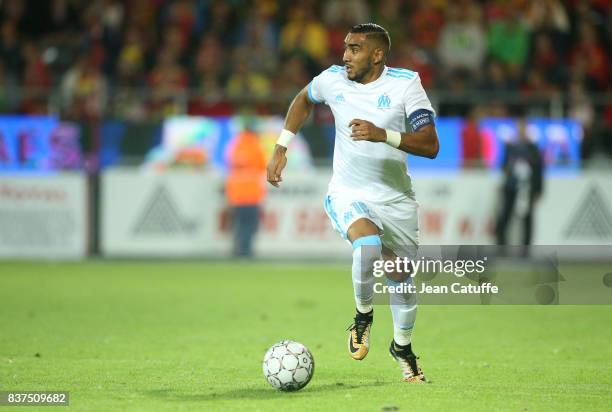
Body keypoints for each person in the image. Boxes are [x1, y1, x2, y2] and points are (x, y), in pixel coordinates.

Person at [267, 23, 439, 382]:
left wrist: (383, 135)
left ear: (377, 55)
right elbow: (303, 99)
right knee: (367, 245)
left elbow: (430, 145)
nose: (345, 56)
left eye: (356, 49)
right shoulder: (332, 79)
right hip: (348, 192)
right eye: (345, 47)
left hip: (396, 200)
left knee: (401, 278)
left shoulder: (406, 84)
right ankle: (363, 317)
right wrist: (282, 146)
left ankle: (402, 347)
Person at [495, 116, 544, 254]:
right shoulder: (510, 147)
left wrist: (538, 189)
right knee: (506, 215)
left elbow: (539, 170)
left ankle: (525, 248)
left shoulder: (533, 149)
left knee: (527, 218)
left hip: (527, 188)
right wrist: (512, 169)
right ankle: (501, 246)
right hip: (512, 186)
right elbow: (503, 166)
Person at [225, 126, 267, 258]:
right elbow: (263, 166)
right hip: (252, 195)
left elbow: (228, 164)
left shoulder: (235, 145)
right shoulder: (256, 146)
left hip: (236, 195)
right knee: (250, 225)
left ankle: (237, 250)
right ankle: (245, 251)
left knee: (238, 224)